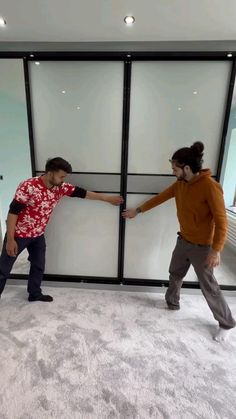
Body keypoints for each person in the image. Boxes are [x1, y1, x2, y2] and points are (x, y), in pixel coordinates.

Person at [122, 142, 235, 342]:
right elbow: (160, 198)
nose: (173, 171)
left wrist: (216, 250)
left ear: (187, 168)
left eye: (175, 168)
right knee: (175, 272)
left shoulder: (210, 187)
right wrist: (137, 211)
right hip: (183, 240)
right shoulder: (180, 184)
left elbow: (221, 221)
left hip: (203, 247)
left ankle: (226, 323)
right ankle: (172, 303)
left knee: (209, 285)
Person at [0, 157, 123, 302]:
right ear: (50, 173)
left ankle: (34, 294)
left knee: (38, 266)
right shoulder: (29, 186)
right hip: (18, 234)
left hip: (38, 234)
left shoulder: (61, 187)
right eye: (61, 176)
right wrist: (10, 239)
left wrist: (107, 199)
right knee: (3, 270)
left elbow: (85, 194)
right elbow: (13, 212)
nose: (63, 179)